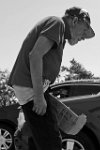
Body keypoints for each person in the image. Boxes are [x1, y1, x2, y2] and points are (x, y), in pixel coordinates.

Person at [8, 6, 95, 150]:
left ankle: (23, 132)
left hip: (35, 87)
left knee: (38, 139)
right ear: (74, 21)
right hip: (31, 87)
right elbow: (35, 56)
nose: (84, 37)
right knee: (51, 142)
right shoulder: (57, 24)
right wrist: (38, 96)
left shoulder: (61, 35)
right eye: (84, 30)